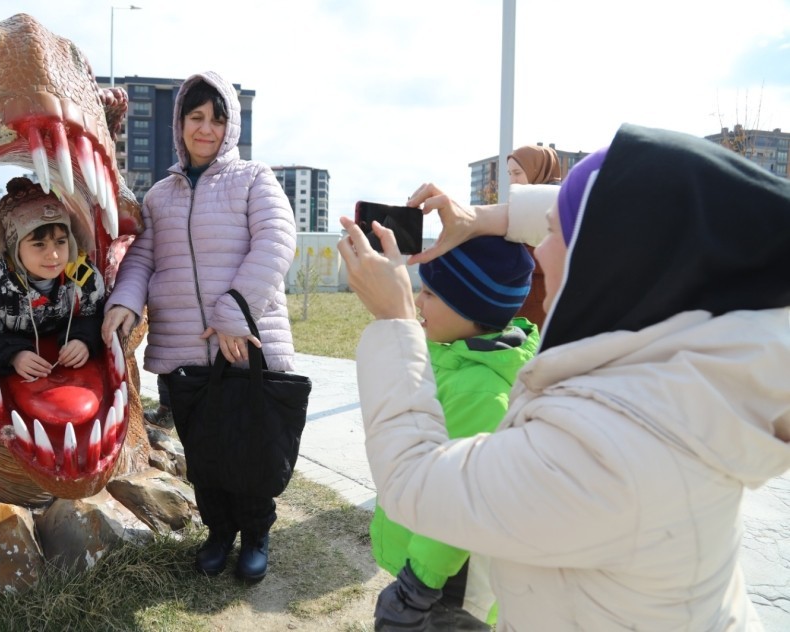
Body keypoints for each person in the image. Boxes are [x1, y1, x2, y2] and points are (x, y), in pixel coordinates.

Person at [338, 123, 790, 630]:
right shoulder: (684, 370)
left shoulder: (610, 447)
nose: (540, 254)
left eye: (554, 234)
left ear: (609, 258)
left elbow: (414, 484)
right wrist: (476, 219)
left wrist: (395, 321)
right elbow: (626, 217)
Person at [102, 71, 297, 583]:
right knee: (205, 452)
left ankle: (256, 534)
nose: (205, 128)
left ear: (229, 127)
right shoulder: (159, 197)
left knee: (250, 448)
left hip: (246, 342)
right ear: (180, 124)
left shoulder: (254, 178)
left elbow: (276, 243)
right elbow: (142, 259)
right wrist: (123, 301)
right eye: (196, 117)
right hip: (185, 349)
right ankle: (219, 532)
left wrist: (232, 312)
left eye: (216, 118)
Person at [370, 236, 539, 631]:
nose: (417, 302)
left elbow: (458, 502)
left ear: (471, 307)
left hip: (449, 577)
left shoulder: (480, 391)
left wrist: (418, 586)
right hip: (430, 560)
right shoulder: (455, 351)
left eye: (430, 293)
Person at [0, 176, 105, 379]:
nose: (54, 255)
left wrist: (83, 339)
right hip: (18, 376)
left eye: (60, 242)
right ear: (14, 249)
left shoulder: (86, 278)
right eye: (39, 244)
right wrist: (13, 355)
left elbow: (96, 316)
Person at [506, 144, 561, 329]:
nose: (512, 181)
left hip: (544, 304)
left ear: (536, 170)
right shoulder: (520, 208)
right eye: (509, 174)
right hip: (523, 303)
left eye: (517, 173)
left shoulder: (559, 207)